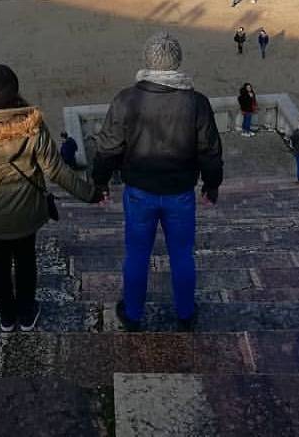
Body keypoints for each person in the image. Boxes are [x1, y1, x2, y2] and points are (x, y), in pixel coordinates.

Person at [93, 32, 223, 332]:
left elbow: (108, 147)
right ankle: (186, 313)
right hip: (180, 192)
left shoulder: (127, 99)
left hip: (140, 191)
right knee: (182, 254)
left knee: (137, 254)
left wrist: (99, 183)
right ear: (178, 62)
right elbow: (210, 150)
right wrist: (212, 184)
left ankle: (134, 314)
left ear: (147, 61)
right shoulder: (196, 102)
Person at [0, 65, 97, 332]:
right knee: (25, 260)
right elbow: (55, 170)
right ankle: (27, 312)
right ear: (16, 92)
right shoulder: (32, 125)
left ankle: (7, 317)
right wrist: (89, 194)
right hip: (25, 212)